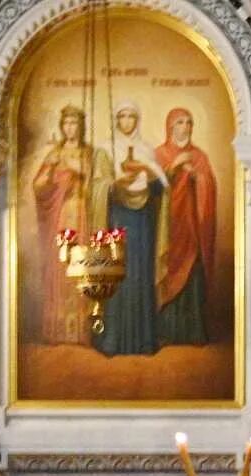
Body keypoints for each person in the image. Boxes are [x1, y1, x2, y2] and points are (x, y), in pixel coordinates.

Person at [30, 105, 109, 347]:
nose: (70, 128)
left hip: (83, 214)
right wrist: (54, 168)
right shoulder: (55, 153)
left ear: (81, 126)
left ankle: (81, 331)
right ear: (62, 126)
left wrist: (80, 174)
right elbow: (39, 186)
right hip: (62, 216)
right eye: (67, 123)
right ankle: (59, 331)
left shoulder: (89, 152)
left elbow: (98, 182)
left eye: (75, 123)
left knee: (81, 267)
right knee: (60, 267)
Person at [152, 107, 218, 348]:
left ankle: (193, 331)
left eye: (189, 123)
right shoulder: (159, 154)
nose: (186, 127)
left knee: (192, 275)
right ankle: (166, 331)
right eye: (180, 122)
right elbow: (152, 190)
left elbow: (209, 186)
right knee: (167, 271)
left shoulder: (199, 156)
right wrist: (173, 168)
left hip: (191, 227)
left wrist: (198, 178)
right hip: (167, 228)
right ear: (170, 127)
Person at [99, 105, 161, 357]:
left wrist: (147, 175)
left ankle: (144, 340)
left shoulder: (147, 150)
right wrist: (115, 185)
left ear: (138, 119)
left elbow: (159, 189)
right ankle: (113, 340)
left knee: (141, 274)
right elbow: (97, 186)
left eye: (131, 116)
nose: (126, 121)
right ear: (116, 120)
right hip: (118, 217)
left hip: (142, 220)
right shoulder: (105, 148)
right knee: (118, 272)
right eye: (122, 116)